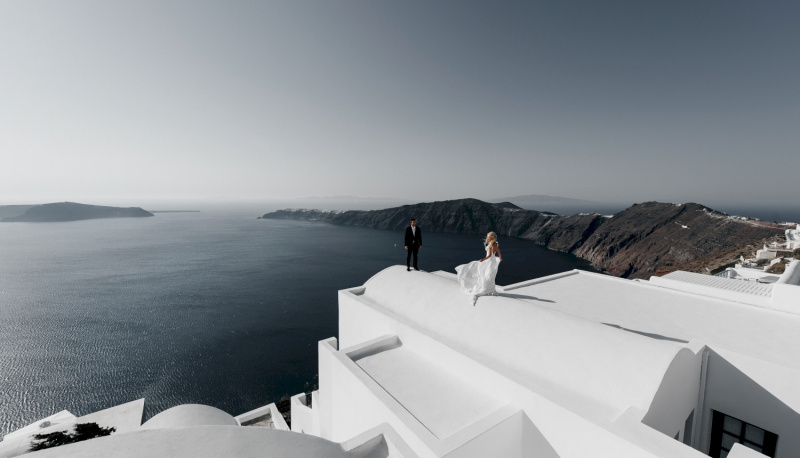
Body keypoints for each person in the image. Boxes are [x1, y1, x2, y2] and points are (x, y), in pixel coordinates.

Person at [455, 232, 502, 305]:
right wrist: (500, 257)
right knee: (489, 275)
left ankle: (486, 289)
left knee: (485, 274)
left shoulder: (491, 245)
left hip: (489, 261)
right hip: (492, 261)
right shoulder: (495, 243)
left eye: (488, 237)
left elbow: (489, 255)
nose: (487, 238)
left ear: (492, 237)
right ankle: (490, 290)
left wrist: (482, 260)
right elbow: (498, 251)